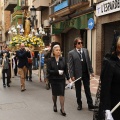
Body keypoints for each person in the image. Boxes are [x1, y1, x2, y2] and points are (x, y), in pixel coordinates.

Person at [93, 36, 120, 120]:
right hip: (114, 105)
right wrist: (107, 110)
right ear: (118, 47)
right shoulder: (109, 63)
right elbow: (105, 89)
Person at [68, 37, 95, 111]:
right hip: (77, 74)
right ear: (75, 44)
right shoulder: (71, 53)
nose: (81, 44)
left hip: (86, 73)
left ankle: (90, 105)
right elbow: (70, 65)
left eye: (81, 43)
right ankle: (79, 104)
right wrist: (72, 75)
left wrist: (91, 71)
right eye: (79, 43)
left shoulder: (85, 51)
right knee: (78, 90)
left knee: (87, 89)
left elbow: (88, 62)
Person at [47, 44, 70, 116]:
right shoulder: (50, 60)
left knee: (61, 94)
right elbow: (49, 71)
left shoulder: (63, 59)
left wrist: (69, 78)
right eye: (57, 50)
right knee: (54, 94)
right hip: (53, 79)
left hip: (61, 79)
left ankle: (62, 109)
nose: (58, 51)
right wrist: (57, 72)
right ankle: (54, 104)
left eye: (59, 50)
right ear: (53, 52)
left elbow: (66, 70)